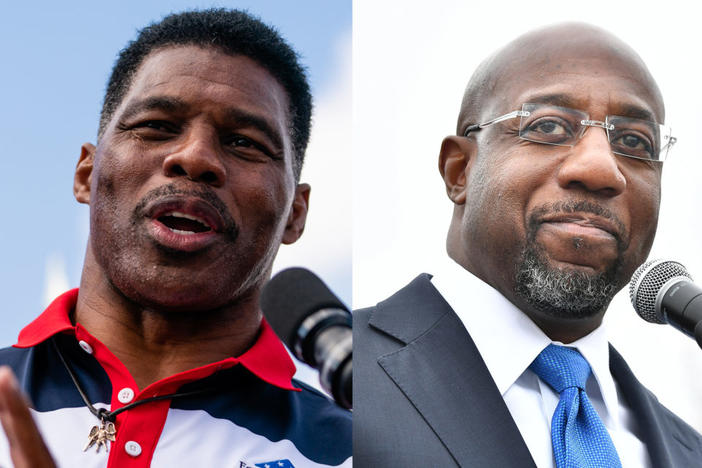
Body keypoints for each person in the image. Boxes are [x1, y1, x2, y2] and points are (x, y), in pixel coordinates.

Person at [0, 9, 351, 468]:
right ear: (87, 172)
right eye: (157, 126)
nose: (195, 157)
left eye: (244, 141)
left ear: (295, 213)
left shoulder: (351, 452)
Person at [353, 22, 702, 467]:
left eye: (634, 141)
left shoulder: (689, 451)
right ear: (459, 172)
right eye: (550, 126)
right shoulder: (338, 384)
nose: (601, 169)